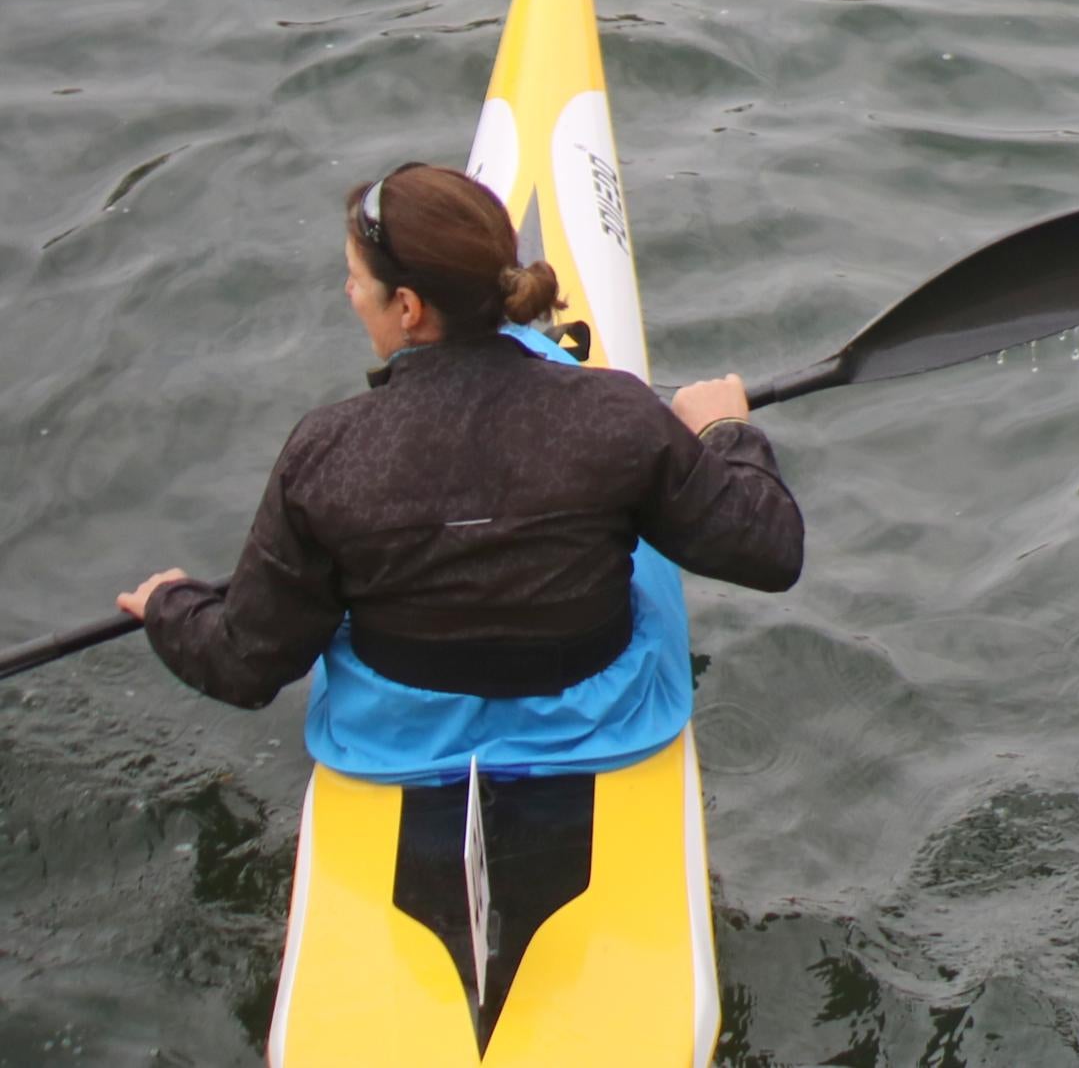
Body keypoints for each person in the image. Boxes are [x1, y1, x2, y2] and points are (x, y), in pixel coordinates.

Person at [117, 161, 800, 776]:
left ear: (408, 307)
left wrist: (170, 607)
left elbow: (246, 665)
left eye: (356, 278)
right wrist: (723, 428)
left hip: (397, 745)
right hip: (604, 726)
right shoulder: (616, 412)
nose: (349, 291)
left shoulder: (324, 451)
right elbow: (769, 550)